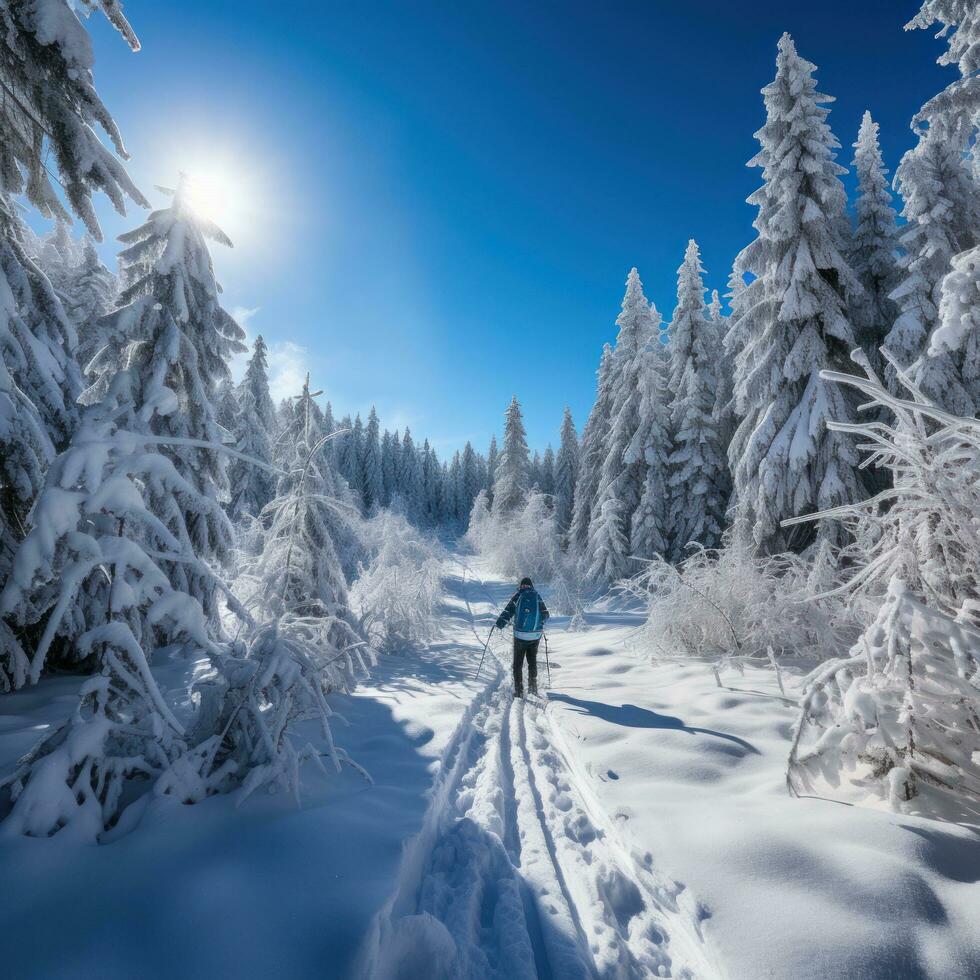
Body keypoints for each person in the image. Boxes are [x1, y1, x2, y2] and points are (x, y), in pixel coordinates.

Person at [495, 577, 549, 698]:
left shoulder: (518, 595)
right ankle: (533, 688)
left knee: (518, 663)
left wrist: (499, 624)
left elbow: (508, 611)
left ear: (521, 586)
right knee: (532, 661)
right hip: (535, 635)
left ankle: (519, 691)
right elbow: (546, 614)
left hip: (520, 635)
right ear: (531, 586)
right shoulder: (537, 596)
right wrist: (539, 625)